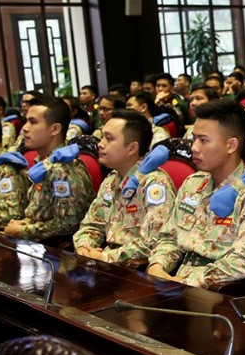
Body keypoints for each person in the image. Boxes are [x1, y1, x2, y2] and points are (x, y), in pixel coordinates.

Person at [147, 100, 245, 288]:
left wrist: (188, 282)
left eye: (203, 140)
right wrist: (157, 265)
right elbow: (169, 237)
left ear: (231, 145)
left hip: (219, 292)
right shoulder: (193, 183)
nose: (194, 147)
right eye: (194, 138)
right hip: (175, 284)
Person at [73, 110, 176, 266]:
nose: (100, 144)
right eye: (102, 137)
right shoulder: (112, 179)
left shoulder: (154, 183)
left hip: (134, 269)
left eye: (109, 139)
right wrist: (84, 247)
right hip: (104, 263)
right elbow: (92, 225)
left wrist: (105, 256)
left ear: (132, 148)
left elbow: (154, 242)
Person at [4, 96, 95, 241]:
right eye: (26, 121)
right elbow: (41, 213)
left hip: (55, 248)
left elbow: (69, 224)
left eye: (33, 122)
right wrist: (25, 222)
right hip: (37, 244)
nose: (24, 128)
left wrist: (24, 230)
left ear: (54, 129)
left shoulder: (62, 170)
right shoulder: (42, 163)